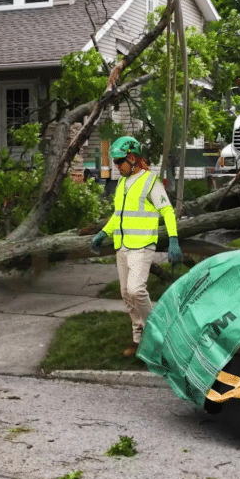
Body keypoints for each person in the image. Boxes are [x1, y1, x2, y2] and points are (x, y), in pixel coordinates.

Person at [91, 136, 181, 357]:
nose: (116, 166)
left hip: (142, 246)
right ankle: (138, 338)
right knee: (125, 294)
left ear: (132, 158)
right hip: (122, 246)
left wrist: (174, 240)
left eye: (119, 161)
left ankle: (156, 333)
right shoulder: (122, 183)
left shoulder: (151, 181)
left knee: (136, 290)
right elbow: (118, 215)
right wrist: (104, 232)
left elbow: (167, 211)